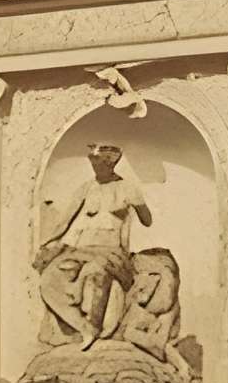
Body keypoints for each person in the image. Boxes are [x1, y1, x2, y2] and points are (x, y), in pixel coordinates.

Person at [33, 144, 152, 345]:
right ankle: (84, 327)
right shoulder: (87, 188)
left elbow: (147, 220)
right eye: (93, 164)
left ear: (111, 164)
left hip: (111, 252)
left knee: (95, 273)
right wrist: (46, 242)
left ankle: (94, 327)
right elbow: (65, 221)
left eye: (99, 165)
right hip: (82, 249)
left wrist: (138, 204)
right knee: (49, 279)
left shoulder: (127, 188)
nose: (95, 169)